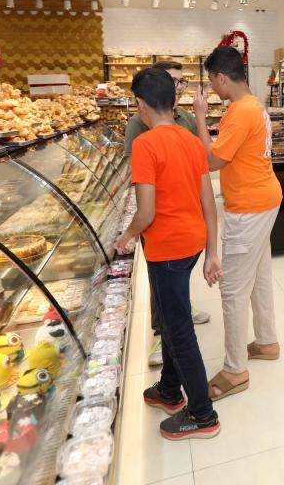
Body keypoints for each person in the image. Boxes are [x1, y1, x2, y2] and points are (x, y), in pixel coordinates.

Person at [114, 67, 222, 440]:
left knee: (178, 331)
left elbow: (145, 213)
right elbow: (208, 200)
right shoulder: (191, 140)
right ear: (173, 100)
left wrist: (126, 236)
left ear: (141, 104)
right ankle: (169, 390)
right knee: (175, 314)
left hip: (167, 250)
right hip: (192, 243)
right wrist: (212, 251)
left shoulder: (145, 145)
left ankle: (203, 414)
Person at [193, 46, 283, 401]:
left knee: (232, 289)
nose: (212, 89)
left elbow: (212, 160)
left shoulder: (239, 111)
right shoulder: (254, 104)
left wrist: (200, 119)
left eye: (212, 81)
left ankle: (235, 370)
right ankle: (267, 341)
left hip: (248, 207)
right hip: (265, 198)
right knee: (259, 275)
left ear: (222, 78)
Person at [123, 61, 209, 371]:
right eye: (173, 81)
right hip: (164, 223)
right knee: (164, 289)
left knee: (174, 290)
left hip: (179, 223)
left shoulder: (184, 120)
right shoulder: (139, 125)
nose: (178, 87)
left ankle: (190, 396)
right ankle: (162, 338)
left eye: (182, 82)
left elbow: (201, 164)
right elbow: (137, 171)